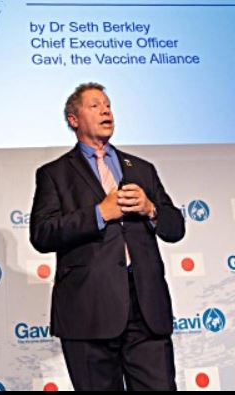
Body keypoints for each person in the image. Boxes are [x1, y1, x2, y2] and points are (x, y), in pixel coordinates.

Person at [30, 83, 185, 391]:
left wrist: (151, 208)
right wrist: (99, 213)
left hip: (145, 307)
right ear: (73, 119)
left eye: (109, 105)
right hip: (89, 311)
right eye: (95, 105)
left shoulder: (141, 169)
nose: (106, 111)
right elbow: (42, 234)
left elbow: (175, 227)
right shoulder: (54, 174)